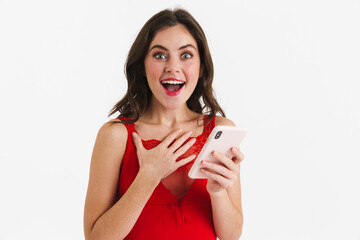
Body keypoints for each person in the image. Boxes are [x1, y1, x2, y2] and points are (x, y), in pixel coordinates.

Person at [84, 8, 245, 240]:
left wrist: (217, 193)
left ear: (201, 68)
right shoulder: (116, 136)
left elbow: (231, 235)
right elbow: (95, 238)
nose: (173, 67)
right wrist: (148, 176)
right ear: (142, 66)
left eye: (186, 55)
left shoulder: (220, 132)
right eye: (160, 55)